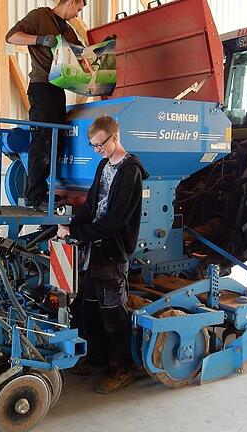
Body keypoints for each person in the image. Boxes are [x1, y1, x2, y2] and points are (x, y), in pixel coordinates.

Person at [58, 115, 148, 394]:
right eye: (93, 146)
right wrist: (68, 225)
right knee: (90, 307)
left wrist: (77, 235)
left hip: (112, 251)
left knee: (113, 313)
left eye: (100, 144)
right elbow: (91, 205)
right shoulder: (103, 165)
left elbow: (116, 220)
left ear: (115, 137)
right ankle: (96, 359)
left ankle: (121, 368)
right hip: (93, 249)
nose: (97, 150)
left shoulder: (130, 170)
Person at [5, 0, 86, 211]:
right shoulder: (40, 16)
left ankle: (37, 191)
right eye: (78, 8)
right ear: (71, 1)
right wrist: (40, 39)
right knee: (43, 139)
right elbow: (11, 36)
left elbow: (81, 55)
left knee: (55, 143)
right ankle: (34, 197)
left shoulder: (67, 30)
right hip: (41, 88)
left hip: (59, 89)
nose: (77, 14)